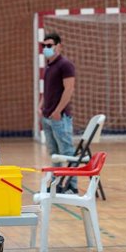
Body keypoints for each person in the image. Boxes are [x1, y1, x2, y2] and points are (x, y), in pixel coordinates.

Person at [38, 32, 77, 193]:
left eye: (49, 45)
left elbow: (69, 89)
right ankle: (55, 184)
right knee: (54, 153)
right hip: (47, 117)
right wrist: (40, 106)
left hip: (59, 118)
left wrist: (57, 111)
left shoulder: (65, 65)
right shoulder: (49, 66)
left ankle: (72, 186)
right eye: (43, 46)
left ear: (58, 46)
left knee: (66, 152)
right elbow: (47, 90)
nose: (46, 49)